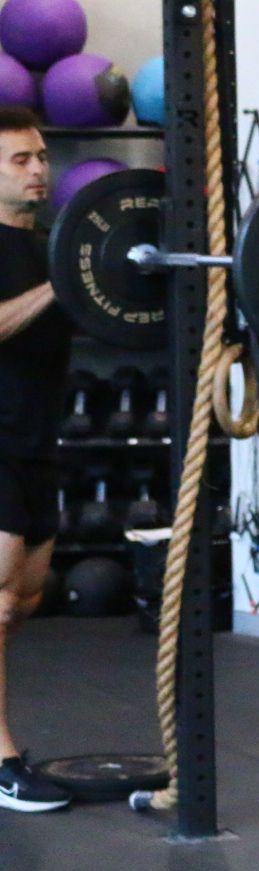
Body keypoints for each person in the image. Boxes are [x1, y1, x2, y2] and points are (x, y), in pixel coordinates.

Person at [0, 108, 73, 813]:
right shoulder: (48, 266)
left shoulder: (53, 247)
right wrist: (63, 284)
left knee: (24, 602)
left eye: (41, 156)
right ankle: (2, 760)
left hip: (39, 443)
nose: (38, 168)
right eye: (20, 159)